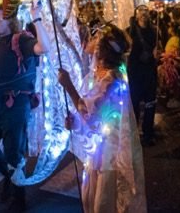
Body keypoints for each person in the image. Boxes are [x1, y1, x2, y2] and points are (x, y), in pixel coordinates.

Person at [58, 23, 146, 213]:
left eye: (96, 40)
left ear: (102, 50)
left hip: (109, 155)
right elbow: (84, 111)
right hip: (96, 152)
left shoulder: (113, 80)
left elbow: (91, 116)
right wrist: (74, 122)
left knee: (103, 205)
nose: (91, 42)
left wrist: (68, 86)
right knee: (90, 201)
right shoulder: (94, 75)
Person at [0, 1, 50, 211]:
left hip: (17, 103)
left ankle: (19, 198)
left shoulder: (21, 40)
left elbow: (44, 48)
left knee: (14, 153)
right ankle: (10, 178)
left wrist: (36, 17)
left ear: (11, 21)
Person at [126, 5, 160, 146]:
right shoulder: (129, 31)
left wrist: (157, 53)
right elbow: (125, 50)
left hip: (150, 72)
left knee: (150, 104)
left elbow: (159, 48)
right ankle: (133, 135)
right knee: (134, 104)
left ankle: (148, 133)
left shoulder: (155, 31)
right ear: (136, 15)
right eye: (141, 11)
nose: (144, 13)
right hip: (135, 72)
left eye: (146, 11)